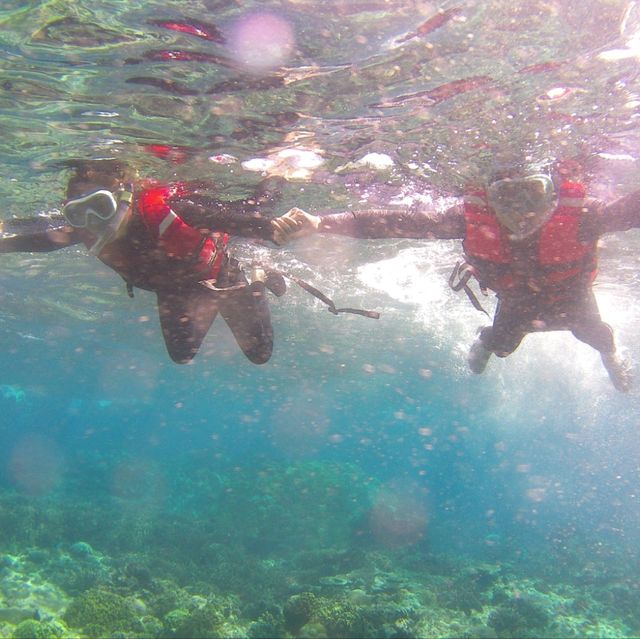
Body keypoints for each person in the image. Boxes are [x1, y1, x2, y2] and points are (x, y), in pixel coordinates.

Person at [271, 161, 639, 392]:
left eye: (533, 195)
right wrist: (321, 223)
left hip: (571, 296)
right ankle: (484, 342)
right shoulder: (466, 219)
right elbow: (395, 223)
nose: (522, 211)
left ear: (554, 196)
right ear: (490, 199)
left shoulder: (587, 217)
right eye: (507, 198)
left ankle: (611, 360)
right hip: (517, 300)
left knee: (598, 335)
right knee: (503, 345)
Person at [0, 159, 302, 365]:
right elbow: (39, 240)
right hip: (173, 290)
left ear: (126, 197)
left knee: (259, 353)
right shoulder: (86, 231)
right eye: (79, 213)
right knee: (181, 355)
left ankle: (258, 273)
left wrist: (276, 178)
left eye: (101, 207)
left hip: (222, 276)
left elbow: (253, 212)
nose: (92, 223)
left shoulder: (177, 212)